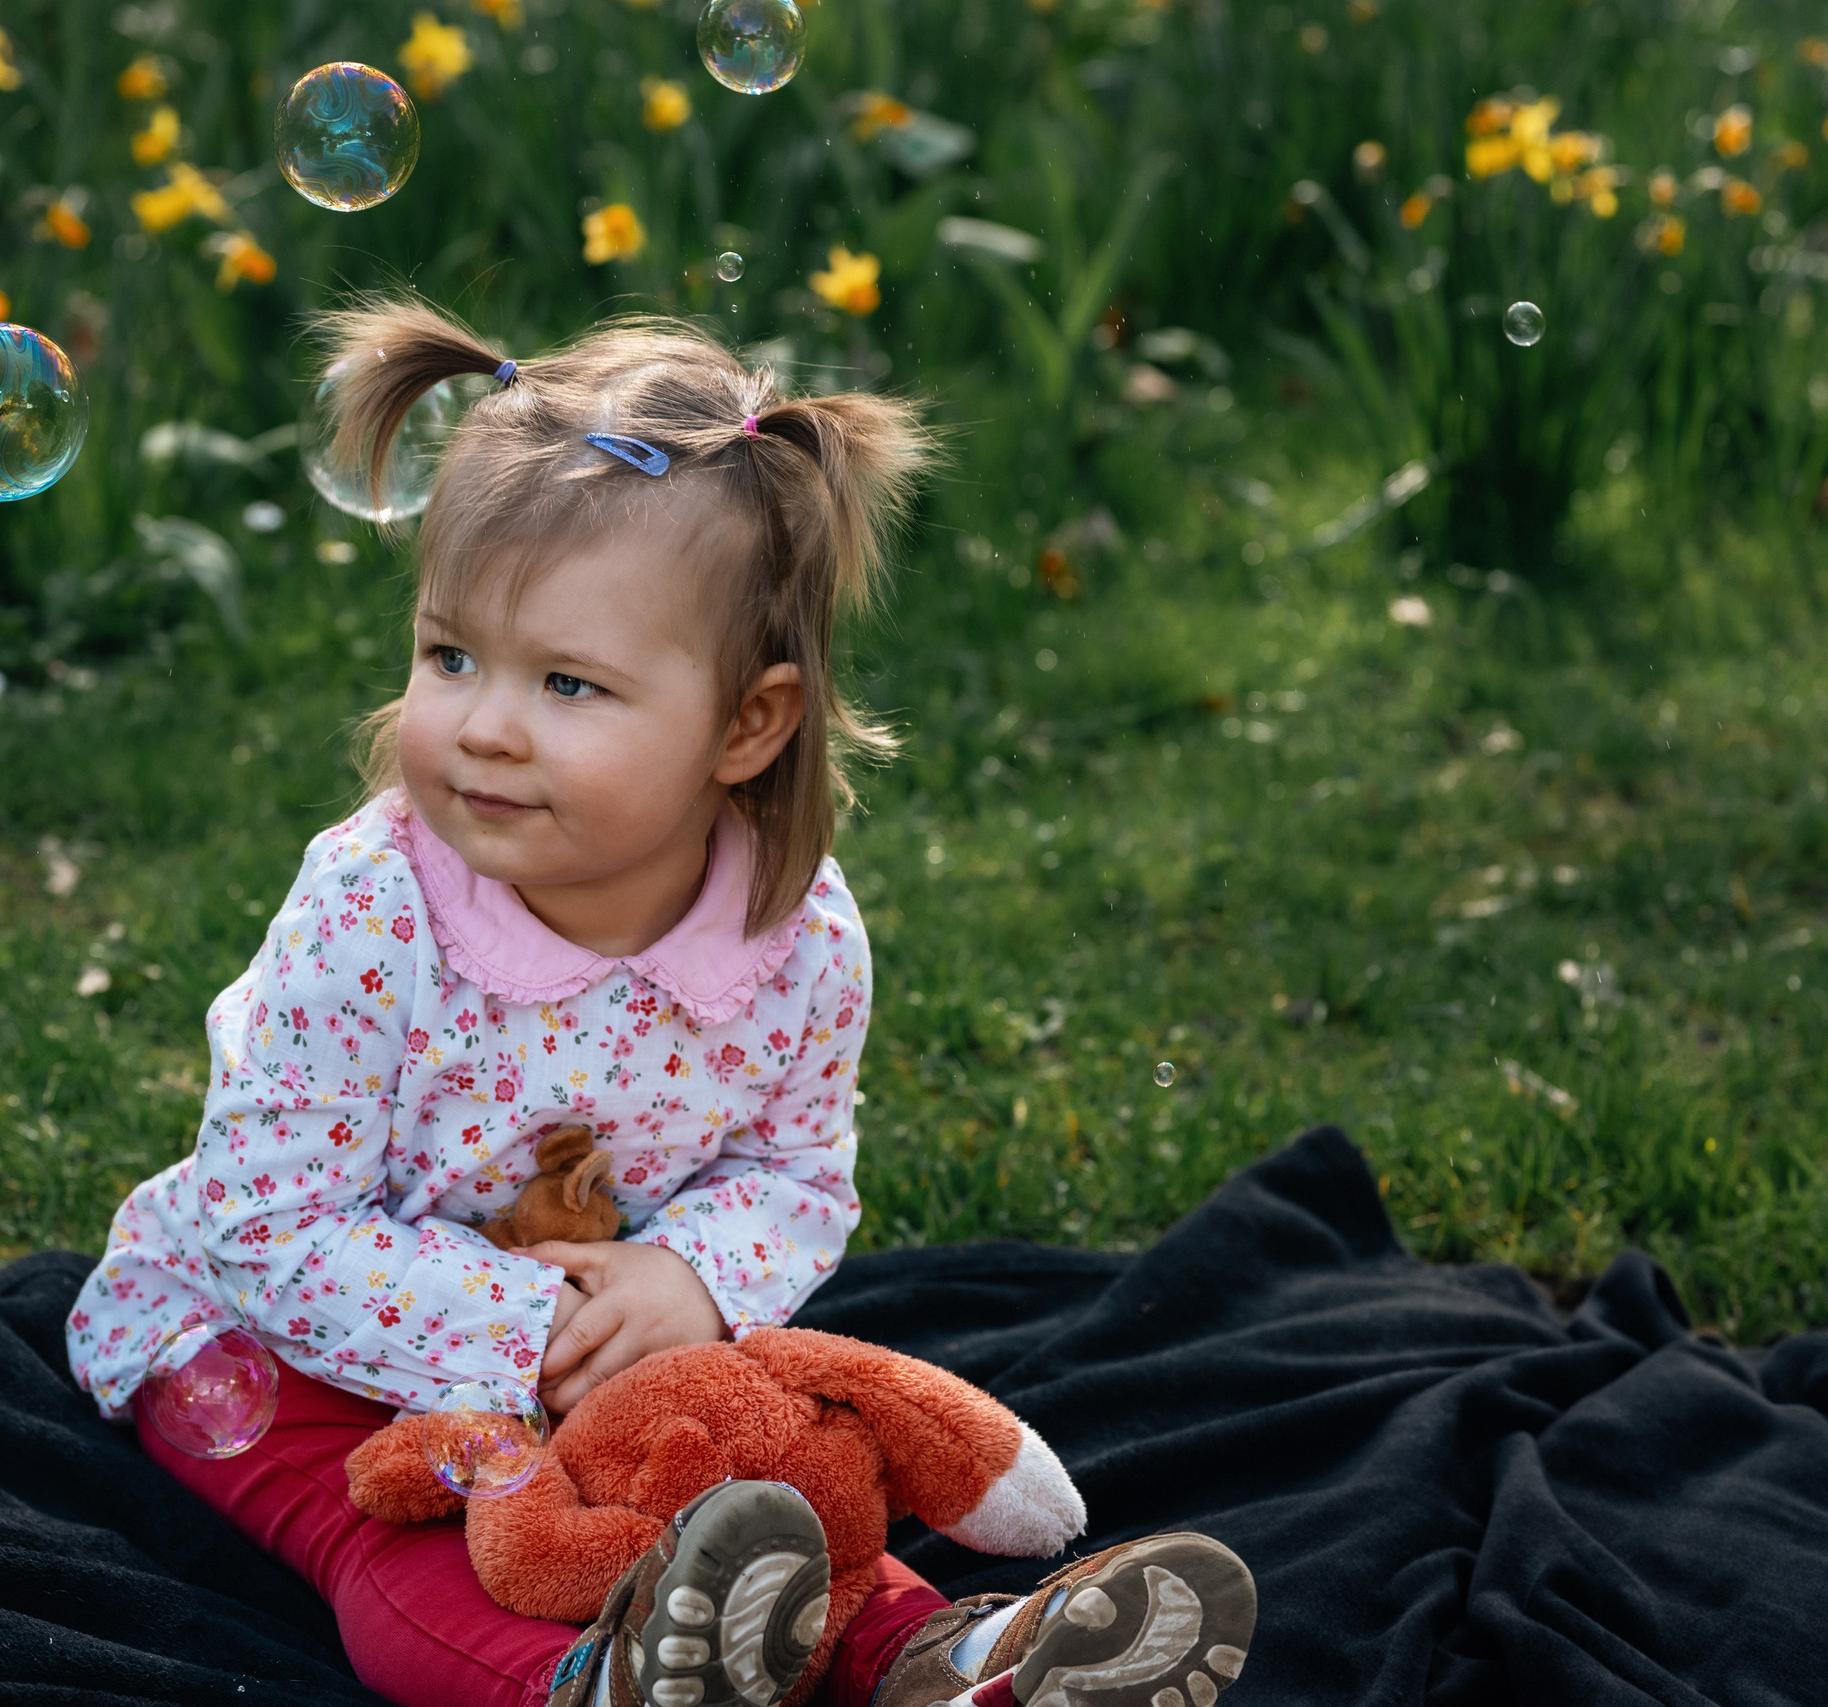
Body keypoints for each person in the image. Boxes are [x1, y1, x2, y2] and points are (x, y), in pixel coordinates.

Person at [69, 299, 1256, 1707]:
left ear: (747, 725)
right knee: (420, 1530)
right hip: (272, 1345)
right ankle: (593, 1680)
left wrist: (691, 1278)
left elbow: (795, 1174)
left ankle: (946, 1658)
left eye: (569, 682)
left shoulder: (795, 938)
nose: (489, 723)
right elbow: (265, 1226)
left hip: (612, 1340)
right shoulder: (374, 907)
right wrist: (544, 1337)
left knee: (757, 1469)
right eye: (453, 656)